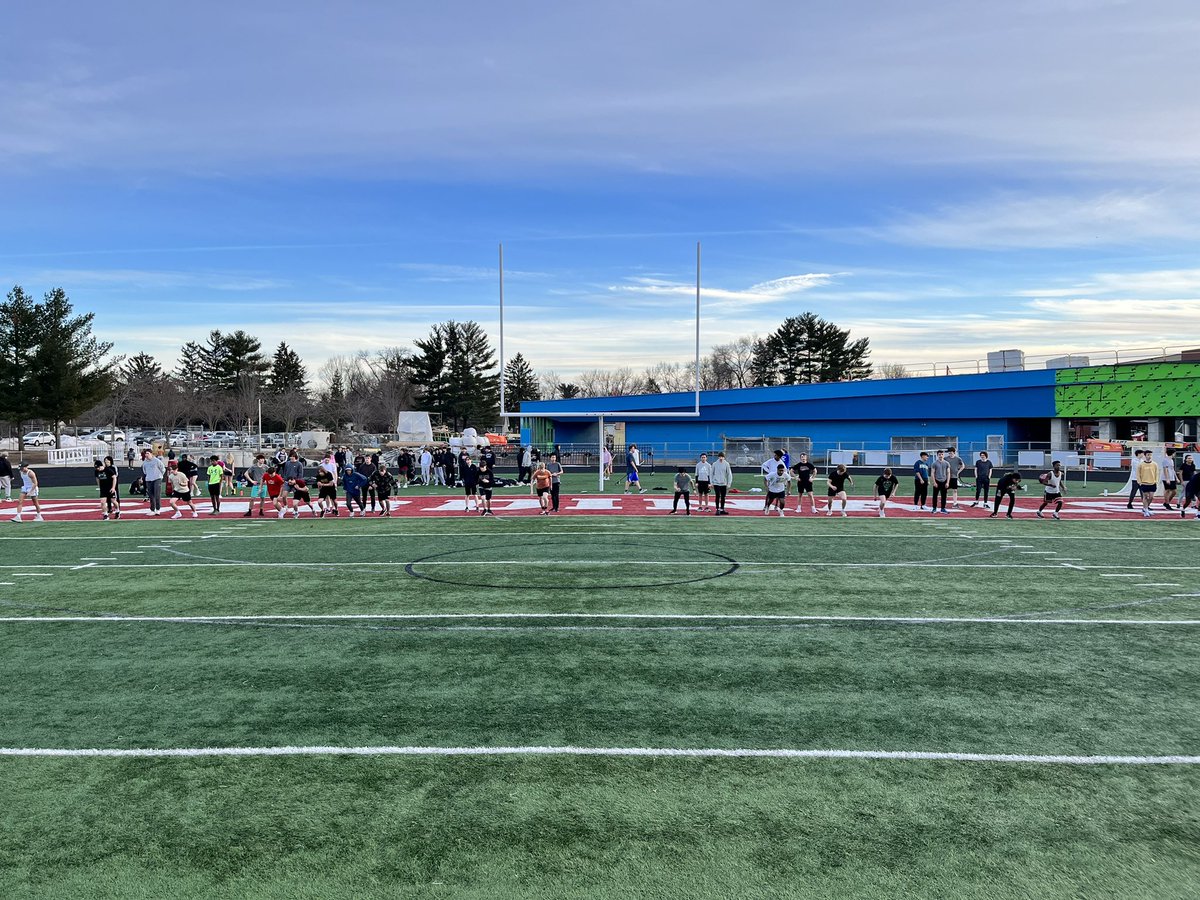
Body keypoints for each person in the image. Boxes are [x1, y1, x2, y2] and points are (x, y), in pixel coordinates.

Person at [141, 449, 166, 516]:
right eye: (146, 453)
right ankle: (152, 509)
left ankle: (158, 509)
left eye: (148, 453)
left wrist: (160, 476)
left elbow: (163, 468)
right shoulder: (145, 462)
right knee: (151, 495)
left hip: (157, 479)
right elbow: (144, 471)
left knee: (157, 494)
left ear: (151, 454)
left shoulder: (157, 461)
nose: (146, 455)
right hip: (149, 479)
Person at [1135, 451, 1160, 518]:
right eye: (1148, 455)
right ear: (1145, 456)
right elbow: (1138, 474)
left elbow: (1157, 473)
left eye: (1150, 455)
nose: (1149, 456)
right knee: (1145, 496)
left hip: (1152, 483)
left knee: (1151, 497)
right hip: (1144, 483)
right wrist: (1139, 482)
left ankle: (1145, 507)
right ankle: (1146, 510)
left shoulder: (1155, 464)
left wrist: (1156, 481)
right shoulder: (1141, 464)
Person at [97, 455, 120, 520]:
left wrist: (113, 487)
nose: (106, 462)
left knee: (113, 501)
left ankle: (117, 511)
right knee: (103, 502)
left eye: (107, 461)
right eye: (105, 461)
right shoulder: (97, 471)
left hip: (111, 487)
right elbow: (97, 478)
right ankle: (105, 514)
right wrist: (99, 486)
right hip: (103, 488)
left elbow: (115, 477)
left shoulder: (110, 469)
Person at [710, 451, 733, 515]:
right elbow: (711, 474)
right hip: (716, 483)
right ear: (718, 457)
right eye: (720, 457)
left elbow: (729, 474)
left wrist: (729, 483)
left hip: (723, 483)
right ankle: (717, 509)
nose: (721, 458)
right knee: (717, 495)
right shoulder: (714, 464)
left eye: (722, 457)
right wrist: (711, 482)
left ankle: (722, 509)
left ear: (724, 457)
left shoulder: (726, 464)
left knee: (723, 496)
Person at [929, 450, 951, 515]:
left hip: (944, 481)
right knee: (935, 496)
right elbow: (932, 473)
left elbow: (948, 473)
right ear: (937, 455)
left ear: (943, 455)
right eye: (939, 454)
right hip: (937, 481)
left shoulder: (947, 463)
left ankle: (943, 508)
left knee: (944, 496)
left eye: (942, 454)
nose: (940, 456)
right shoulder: (934, 463)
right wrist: (934, 482)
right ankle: (934, 508)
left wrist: (947, 482)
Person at [1179, 454, 1197, 519]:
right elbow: (1180, 473)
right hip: (1187, 482)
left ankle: (1195, 508)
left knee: (1195, 498)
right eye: (1189, 458)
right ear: (1186, 459)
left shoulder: (1193, 466)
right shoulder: (1183, 465)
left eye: (1191, 458)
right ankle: (1181, 506)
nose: (1190, 459)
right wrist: (1181, 481)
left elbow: (1195, 473)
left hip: (1194, 483)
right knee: (1187, 499)